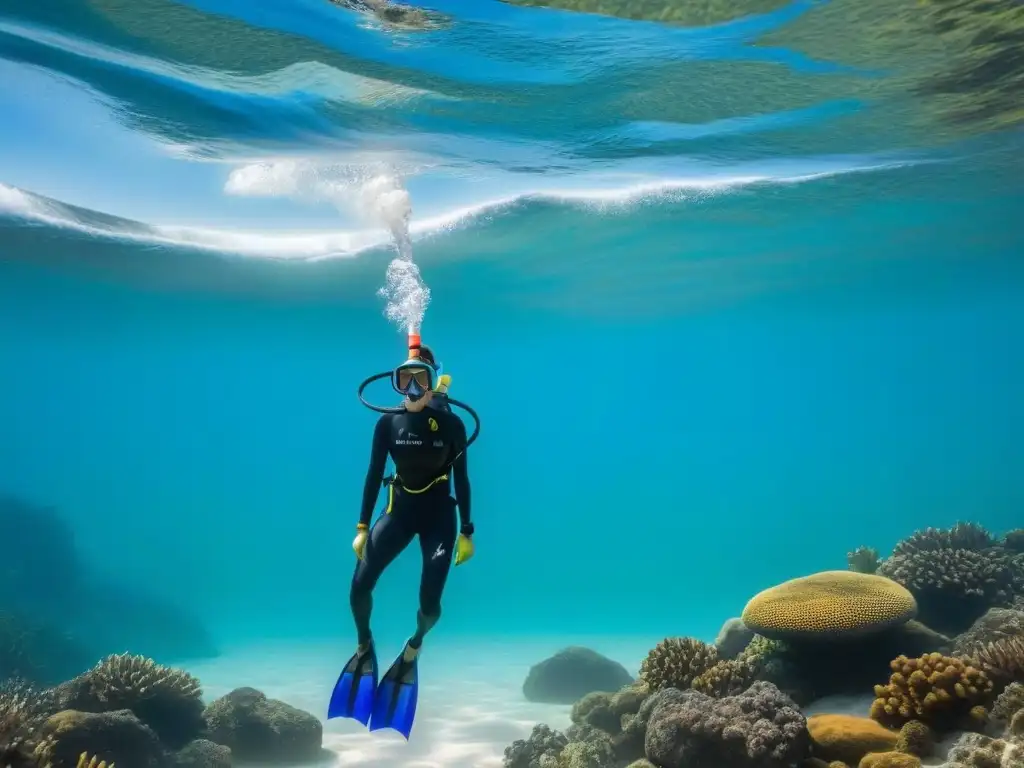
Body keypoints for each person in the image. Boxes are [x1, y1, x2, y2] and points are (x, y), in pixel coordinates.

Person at [327, 344, 475, 739]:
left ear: (431, 385)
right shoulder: (387, 424)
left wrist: (466, 531)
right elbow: (374, 473)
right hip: (400, 511)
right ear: (395, 383)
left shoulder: (452, 425)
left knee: (430, 603)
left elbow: (463, 480)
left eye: (420, 381)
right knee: (359, 585)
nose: (411, 390)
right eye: (404, 381)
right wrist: (362, 526)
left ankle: (414, 647)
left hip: (439, 518)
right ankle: (363, 645)